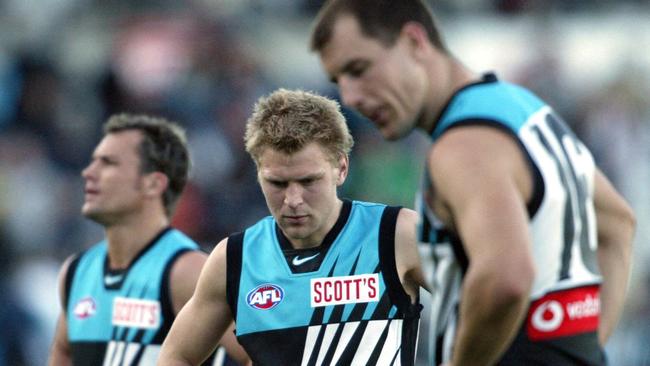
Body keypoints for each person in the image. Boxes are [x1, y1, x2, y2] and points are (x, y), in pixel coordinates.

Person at [309, 1, 636, 365]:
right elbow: (617, 224)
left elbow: (504, 278)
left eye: (359, 69)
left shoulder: (463, 145)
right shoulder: (520, 108)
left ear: (414, 42)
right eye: (338, 81)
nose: (350, 97)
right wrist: (587, 352)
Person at [158, 88, 428, 365]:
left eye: (309, 181)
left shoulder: (396, 234)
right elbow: (177, 356)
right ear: (258, 173)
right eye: (277, 183)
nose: (293, 200)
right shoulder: (234, 260)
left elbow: (470, 303)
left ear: (342, 168)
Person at [47, 114, 249, 366]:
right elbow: (62, 354)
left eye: (108, 163)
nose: (89, 173)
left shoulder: (186, 271)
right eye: (93, 161)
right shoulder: (77, 272)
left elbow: (255, 354)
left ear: (153, 184)